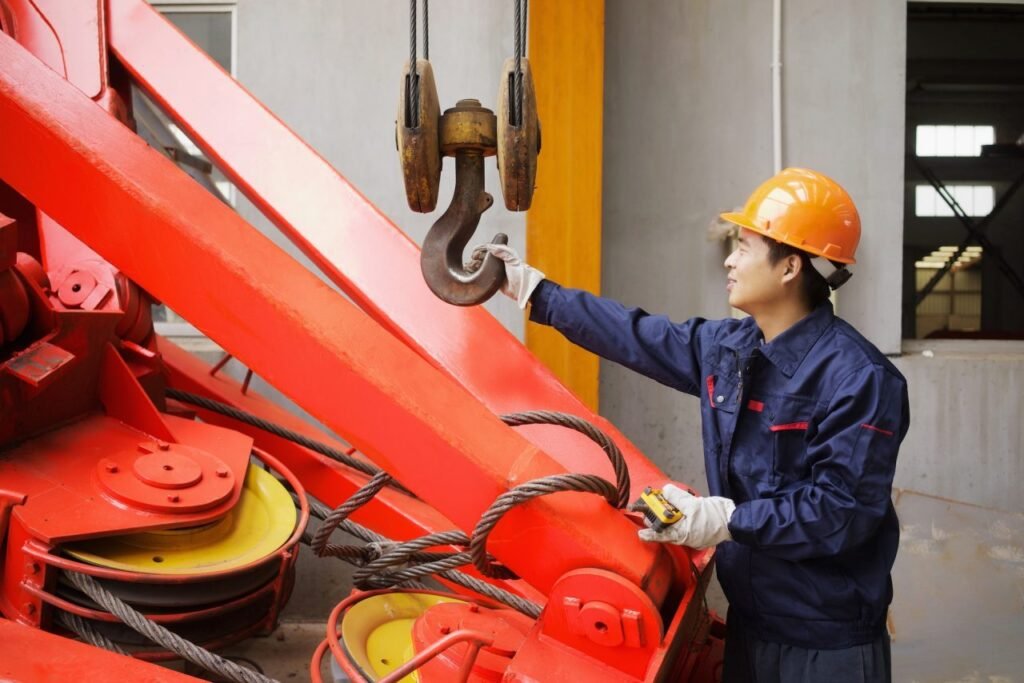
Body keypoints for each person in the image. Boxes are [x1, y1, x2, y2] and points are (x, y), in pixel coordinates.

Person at [476, 168, 909, 683]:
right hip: (752, 627)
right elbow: (634, 334)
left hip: (825, 648)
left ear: (790, 266)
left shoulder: (860, 380)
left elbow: (840, 512)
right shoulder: (731, 348)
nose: (729, 259)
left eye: (744, 247)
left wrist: (724, 520)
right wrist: (532, 290)